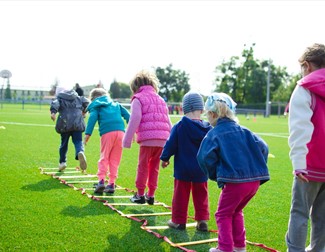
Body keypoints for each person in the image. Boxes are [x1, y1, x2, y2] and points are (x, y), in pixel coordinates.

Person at [197, 92, 270, 252]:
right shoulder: (246, 131)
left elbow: (203, 157)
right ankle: (239, 246)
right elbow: (264, 148)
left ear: (212, 114)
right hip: (254, 183)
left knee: (222, 214)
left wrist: (216, 175)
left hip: (235, 183)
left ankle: (224, 248)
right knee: (236, 211)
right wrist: (257, 168)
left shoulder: (214, 134)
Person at [285, 43, 325, 252]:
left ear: (307, 66)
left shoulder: (304, 88)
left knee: (300, 212)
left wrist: (299, 164)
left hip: (310, 165)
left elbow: (300, 129)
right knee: (322, 215)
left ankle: (296, 250)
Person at [160, 91, 212, 231]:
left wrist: (165, 158)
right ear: (201, 109)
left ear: (183, 108)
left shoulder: (179, 126)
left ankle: (178, 221)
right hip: (201, 168)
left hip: (182, 168)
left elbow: (170, 144)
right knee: (201, 194)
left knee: (180, 195)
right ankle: (202, 220)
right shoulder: (208, 128)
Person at [123, 70, 172, 204]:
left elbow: (135, 118)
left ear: (135, 87)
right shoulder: (161, 99)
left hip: (147, 139)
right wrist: (171, 143)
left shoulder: (138, 99)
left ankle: (139, 195)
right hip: (162, 140)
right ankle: (150, 195)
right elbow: (168, 121)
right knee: (154, 167)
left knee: (143, 166)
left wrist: (127, 140)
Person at [84, 88, 130, 194]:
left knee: (104, 157)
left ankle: (101, 181)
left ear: (93, 99)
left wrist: (87, 134)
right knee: (115, 159)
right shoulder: (116, 104)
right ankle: (111, 184)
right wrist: (133, 132)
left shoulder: (96, 106)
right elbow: (129, 116)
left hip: (107, 133)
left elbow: (92, 118)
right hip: (121, 133)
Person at [50, 85, 90, 172]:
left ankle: (62, 162)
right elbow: (87, 102)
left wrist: (53, 113)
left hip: (65, 125)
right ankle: (80, 152)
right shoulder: (78, 97)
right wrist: (84, 111)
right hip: (77, 124)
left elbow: (55, 103)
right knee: (78, 141)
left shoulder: (60, 98)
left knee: (64, 144)